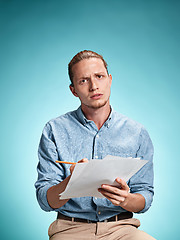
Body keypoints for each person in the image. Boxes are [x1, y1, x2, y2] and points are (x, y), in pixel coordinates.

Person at [35, 50, 155, 240]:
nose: (93, 86)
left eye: (99, 76)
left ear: (109, 80)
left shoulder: (137, 132)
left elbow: (145, 197)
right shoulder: (54, 129)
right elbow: (44, 199)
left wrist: (126, 199)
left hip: (121, 228)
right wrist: (71, 184)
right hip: (70, 229)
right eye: (83, 80)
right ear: (73, 90)